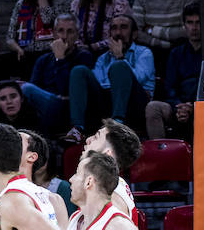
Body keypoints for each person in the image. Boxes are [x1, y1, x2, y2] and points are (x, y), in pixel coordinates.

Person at [64, 15, 154, 143]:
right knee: (79, 70)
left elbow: (139, 78)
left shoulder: (144, 53)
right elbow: (98, 85)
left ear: (134, 34)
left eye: (123, 28)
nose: (118, 33)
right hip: (108, 103)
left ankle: (117, 125)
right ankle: (77, 128)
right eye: (114, 28)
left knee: (119, 67)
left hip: (135, 103)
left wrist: (120, 57)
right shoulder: (103, 58)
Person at [22, 13, 94, 134]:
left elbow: (64, 90)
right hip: (47, 105)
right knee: (25, 89)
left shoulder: (84, 56)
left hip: (70, 108)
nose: (64, 36)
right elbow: (34, 91)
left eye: (70, 32)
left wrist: (60, 59)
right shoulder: (43, 60)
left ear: (77, 35)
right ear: (54, 34)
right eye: (60, 31)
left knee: (27, 88)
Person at [133, 0, 201, 72]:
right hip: (152, 50)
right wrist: (165, 44)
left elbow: (189, 29)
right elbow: (136, 32)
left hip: (182, 48)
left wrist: (152, 30)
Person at [145, 2, 202, 139]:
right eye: (190, 22)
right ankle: (161, 152)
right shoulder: (176, 53)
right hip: (178, 106)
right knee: (153, 108)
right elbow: (170, 87)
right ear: (184, 25)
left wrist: (193, 106)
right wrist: (180, 106)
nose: (194, 27)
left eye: (198, 22)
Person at [82, 119, 143, 225]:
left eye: (96, 137)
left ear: (107, 153)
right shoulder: (109, 184)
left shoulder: (112, 197)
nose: (88, 140)